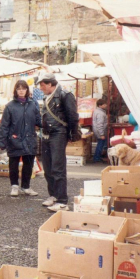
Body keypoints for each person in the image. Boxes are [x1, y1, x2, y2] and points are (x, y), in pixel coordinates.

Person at [36, 72, 80, 212]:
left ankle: (62, 200)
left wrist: (73, 133)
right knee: (48, 167)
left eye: (42, 85)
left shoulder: (65, 95)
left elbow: (73, 116)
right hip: (47, 134)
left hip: (59, 133)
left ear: (50, 83)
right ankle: (53, 195)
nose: (41, 88)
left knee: (58, 167)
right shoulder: (47, 96)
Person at [0, 80, 42, 197]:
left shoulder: (33, 104)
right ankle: (14, 186)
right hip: (14, 139)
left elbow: (39, 120)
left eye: (23, 88)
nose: (21, 91)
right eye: (19, 88)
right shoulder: (10, 106)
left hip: (30, 138)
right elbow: (4, 125)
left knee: (28, 164)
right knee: (13, 165)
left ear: (27, 90)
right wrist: (1, 141)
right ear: (15, 90)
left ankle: (26, 186)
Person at [92, 98, 109, 163]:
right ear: (100, 105)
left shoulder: (98, 111)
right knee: (100, 144)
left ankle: (97, 157)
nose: (106, 106)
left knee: (100, 144)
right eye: (104, 105)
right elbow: (100, 124)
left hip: (98, 130)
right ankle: (97, 157)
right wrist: (101, 134)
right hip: (100, 131)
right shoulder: (100, 114)